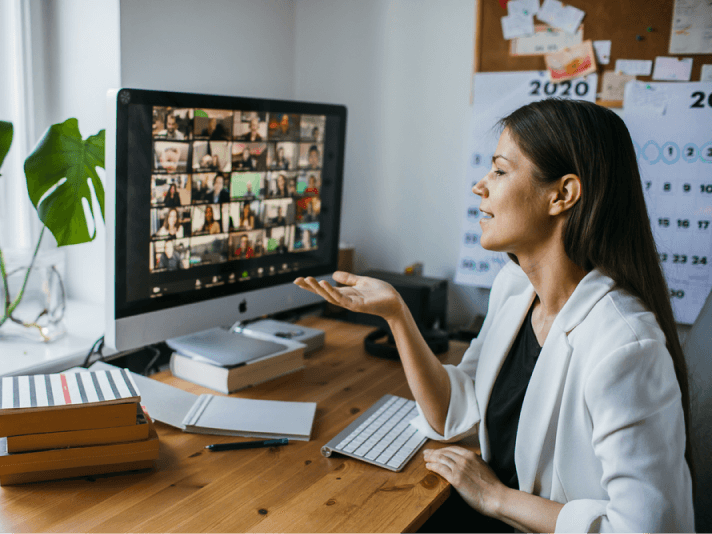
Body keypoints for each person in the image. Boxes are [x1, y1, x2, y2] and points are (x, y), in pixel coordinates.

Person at [294, 99, 694, 533]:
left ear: (562, 195)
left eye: (500, 171)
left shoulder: (625, 346)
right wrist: (397, 314)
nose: (480, 186)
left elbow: (646, 529)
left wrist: (495, 497)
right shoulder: (515, 288)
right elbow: (457, 408)